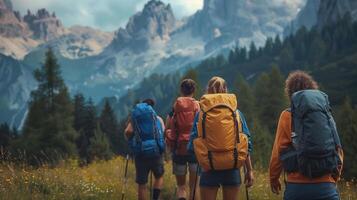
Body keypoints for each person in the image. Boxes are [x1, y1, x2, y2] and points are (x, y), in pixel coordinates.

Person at [269, 71, 344, 200]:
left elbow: (278, 152)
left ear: (290, 93)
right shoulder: (325, 114)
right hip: (326, 186)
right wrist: (334, 178)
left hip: (296, 188)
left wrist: (273, 178)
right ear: (313, 90)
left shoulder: (287, 115)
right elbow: (338, 149)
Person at [188, 76, 254, 200]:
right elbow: (246, 143)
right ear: (226, 90)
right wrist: (249, 170)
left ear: (207, 90)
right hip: (232, 167)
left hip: (209, 168)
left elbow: (192, 144)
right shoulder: (236, 113)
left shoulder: (201, 114)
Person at [165, 79, 200, 200]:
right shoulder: (197, 105)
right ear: (194, 91)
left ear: (181, 90)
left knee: (181, 186)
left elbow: (168, 127)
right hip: (195, 150)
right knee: (194, 186)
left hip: (179, 149)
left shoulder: (176, 106)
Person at [125, 99, 165, 200]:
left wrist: (130, 141)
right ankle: (155, 198)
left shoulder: (135, 118)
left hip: (141, 152)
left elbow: (128, 131)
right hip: (156, 152)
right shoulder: (157, 119)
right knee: (159, 177)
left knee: (142, 184)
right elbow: (162, 134)